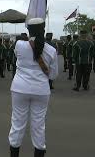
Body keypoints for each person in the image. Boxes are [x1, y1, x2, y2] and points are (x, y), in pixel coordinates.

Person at [8, 18, 58, 157]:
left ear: (29, 31)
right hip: (41, 90)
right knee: (38, 126)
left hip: (19, 88)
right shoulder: (52, 51)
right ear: (43, 30)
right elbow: (53, 75)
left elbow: (18, 58)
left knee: (17, 124)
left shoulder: (19, 45)